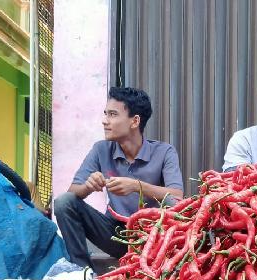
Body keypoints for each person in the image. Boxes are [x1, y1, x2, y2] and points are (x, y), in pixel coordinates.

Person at [53, 87, 183, 268]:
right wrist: (88, 187)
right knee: (64, 202)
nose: (104, 121)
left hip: (152, 237)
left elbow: (177, 197)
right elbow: (72, 193)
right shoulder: (101, 149)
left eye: (113, 115)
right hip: (113, 234)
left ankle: (167, 263)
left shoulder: (164, 151)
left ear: (135, 121)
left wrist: (136, 186)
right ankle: (80, 270)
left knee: (171, 204)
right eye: (105, 114)